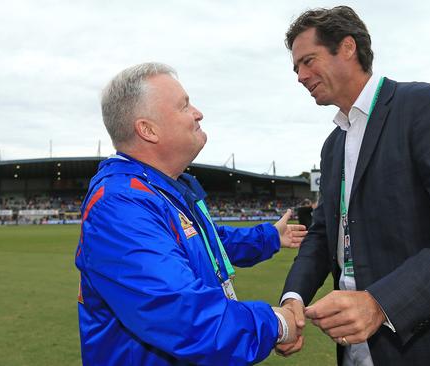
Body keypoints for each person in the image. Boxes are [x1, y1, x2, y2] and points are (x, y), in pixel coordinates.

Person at [276, 6, 430, 365]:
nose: (300, 76)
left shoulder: (424, 107)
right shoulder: (333, 144)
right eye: (296, 67)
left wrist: (381, 303)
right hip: (356, 351)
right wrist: (293, 297)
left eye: (308, 61)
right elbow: (324, 234)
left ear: (348, 47)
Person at [75, 62, 307, 365]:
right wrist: (277, 324)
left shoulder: (165, 189)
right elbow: (181, 314)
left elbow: (206, 241)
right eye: (184, 105)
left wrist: (268, 236)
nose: (198, 113)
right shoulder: (119, 205)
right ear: (148, 129)